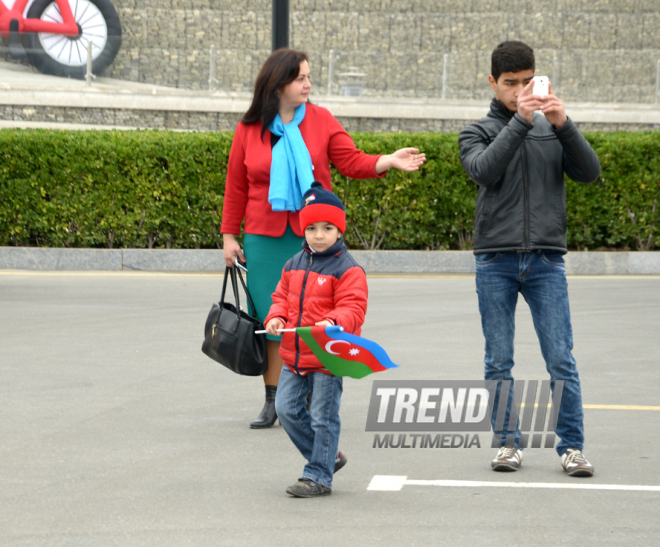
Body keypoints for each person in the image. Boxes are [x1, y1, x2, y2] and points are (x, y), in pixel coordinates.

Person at [221, 48, 425, 429]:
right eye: (301, 78)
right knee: (271, 319)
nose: (308, 84)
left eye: (308, 77)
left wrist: (388, 160)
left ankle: (311, 397)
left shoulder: (321, 120)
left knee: (312, 319)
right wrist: (229, 236)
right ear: (278, 84)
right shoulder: (249, 128)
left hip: (312, 238)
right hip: (263, 239)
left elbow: (352, 161)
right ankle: (273, 400)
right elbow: (236, 185)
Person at [458, 41, 601, 477]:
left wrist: (563, 123)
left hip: (545, 261)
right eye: (510, 84)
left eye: (526, 81)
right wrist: (521, 121)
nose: (519, 91)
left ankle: (572, 447)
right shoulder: (476, 131)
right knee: (498, 359)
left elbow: (590, 172)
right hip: (495, 261)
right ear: (493, 83)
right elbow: (483, 170)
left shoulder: (550, 128)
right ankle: (506, 444)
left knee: (561, 358)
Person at [264, 182, 366, 497]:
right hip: (294, 354)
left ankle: (318, 476)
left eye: (327, 227)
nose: (318, 235)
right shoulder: (292, 264)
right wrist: (275, 318)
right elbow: (280, 297)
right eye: (311, 228)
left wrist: (332, 321)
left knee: (324, 416)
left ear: (340, 231)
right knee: (285, 408)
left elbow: (353, 308)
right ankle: (327, 457)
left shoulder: (348, 269)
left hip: (328, 355)